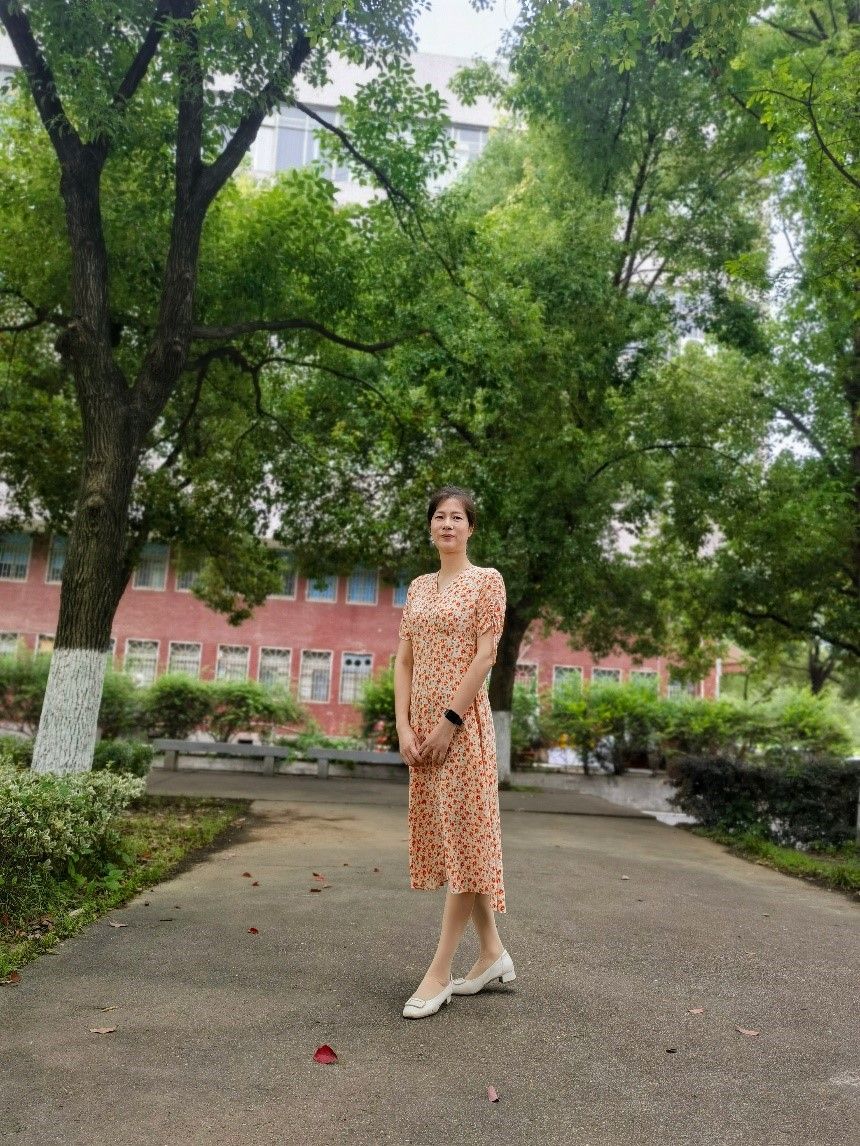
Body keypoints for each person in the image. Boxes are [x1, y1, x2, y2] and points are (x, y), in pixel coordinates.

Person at [394, 485, 516, 1019]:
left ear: (471, 528)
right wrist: (403, 725)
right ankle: (491, 954)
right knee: (457, 846)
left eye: (457, 518)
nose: (448, 524)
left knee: (465, 842)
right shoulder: (418, 587)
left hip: (462, 730)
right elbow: (403, 660)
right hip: (421, 732)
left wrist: (450, 721)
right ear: (430, 527)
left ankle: (439, 972)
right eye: (440, 517)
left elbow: (486, 656)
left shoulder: (487, 581)